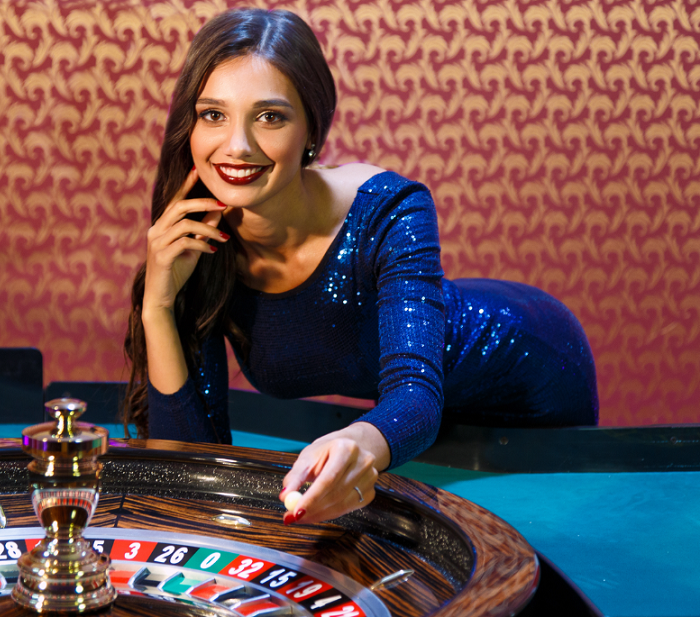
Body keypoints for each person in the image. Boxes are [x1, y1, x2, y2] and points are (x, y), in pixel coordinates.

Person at [122, 8, 598, 526]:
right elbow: (194, 463)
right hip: (413, 424)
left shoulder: (390, 209)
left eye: (270, 116)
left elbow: (414, 395)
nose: (237, 146)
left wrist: (357, 439)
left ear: (311, 132)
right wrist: (159, 307)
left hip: (529, 373)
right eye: (214, 114)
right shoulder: (199, 241)